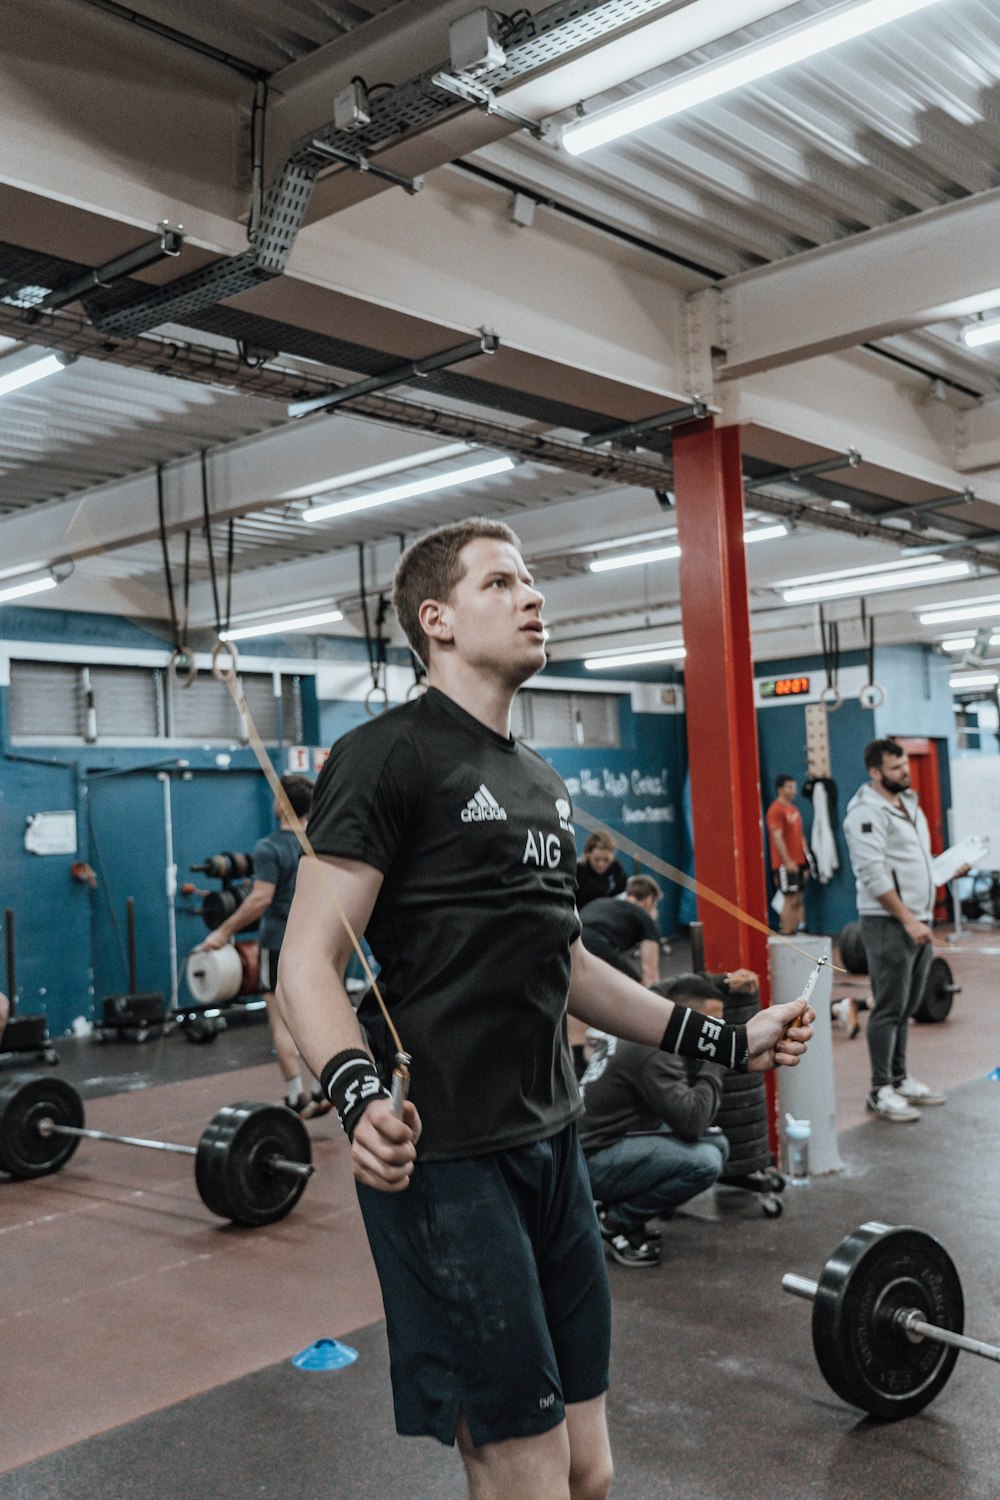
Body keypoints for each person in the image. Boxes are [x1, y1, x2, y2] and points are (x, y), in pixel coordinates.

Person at [277, 516, 814, 1500]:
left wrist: (725, 1041)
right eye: (501, 583)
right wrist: (357, 1100)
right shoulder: (386, 756)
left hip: (553, 1143)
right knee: (520, 1472)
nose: (532, 598)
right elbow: (305, 962)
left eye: (531, 581)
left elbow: (566, 962)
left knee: (588, 1471)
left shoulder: (540, 784)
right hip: (444, 1160)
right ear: (434, 620)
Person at [842, 739, 967, 1123]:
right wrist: (908, 920)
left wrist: (944, 870)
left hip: (918, 918)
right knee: (889, 1007)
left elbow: (914, 863)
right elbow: (873, 872)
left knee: (909, 1006)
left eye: (905, 765)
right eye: (896, 768)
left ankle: (899, 1078)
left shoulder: (906, 804)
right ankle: (879, 1090)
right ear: (875, 772)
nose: (905, 772)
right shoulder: (865, 813)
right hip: (889, 923)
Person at [200, 774, 329, 1119]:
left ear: (281, 804)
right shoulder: (320, 841)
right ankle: (322, 1088)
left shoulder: (269, 847)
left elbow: (260, 899)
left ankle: (296, 1098)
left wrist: (223, 932)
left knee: (282, 1022)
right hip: (316, 939)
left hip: (278, 943)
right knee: (318, 1015)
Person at [580, 974, 730, 1269]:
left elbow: (665, 988)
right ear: (687, 1017)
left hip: (601, 1140)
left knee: (718, 1143)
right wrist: (717, 1057)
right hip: (588, 1161)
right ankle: (616, 1222)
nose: (718, 1032)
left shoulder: (645, 1017)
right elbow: (692, 1122)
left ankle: (622, 1207)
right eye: (713, 1026)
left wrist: (721, 981)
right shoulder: (658, 1049)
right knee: (706, 1161)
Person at [579, 876, 664, 985]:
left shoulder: (601, 902)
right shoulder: (644, 916)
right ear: (649, 900)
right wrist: (651, 923)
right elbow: (650, 973)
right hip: (596, 942)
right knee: (637, 988)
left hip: (570, 941)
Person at [765, 773, 808, 936]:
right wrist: (787, 860)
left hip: (799, 861)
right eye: (790, 787)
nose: (794, 790)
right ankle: (786, 932)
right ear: (780, 789)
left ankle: (793, 931)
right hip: (785, 863)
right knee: (789, 897)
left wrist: (805, 861)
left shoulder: (794, 809)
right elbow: (777, 837)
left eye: (794, 787)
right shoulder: (775, 810)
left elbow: (800, 836)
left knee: (797, 898)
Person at [575, 832, 627, 910]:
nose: (601, 864)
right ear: (588, 854)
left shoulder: (616, 869)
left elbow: (623, 894)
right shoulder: (578, 870)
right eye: (597, 859)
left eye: (606, 860)